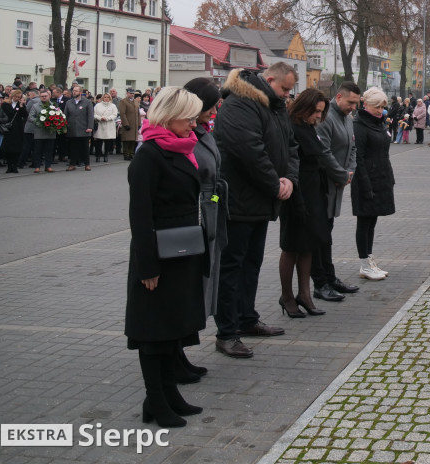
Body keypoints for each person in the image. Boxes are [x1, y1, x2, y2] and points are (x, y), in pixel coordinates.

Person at [124, 86, 206, 428]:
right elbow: (140, 216)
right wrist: (148, 266)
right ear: (167, 116)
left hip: (182, 250)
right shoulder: (149, 155)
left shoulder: (183, 148)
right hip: (158, 254)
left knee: (172, 327)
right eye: (188, 118)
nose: (194, 124)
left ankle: (169, 393)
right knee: (153, 331)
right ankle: (155, 400)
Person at [212, 62, 299, 359]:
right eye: (285, 89)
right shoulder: (241, 103)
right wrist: (274, 183)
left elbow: (290, 147)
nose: (288, 95)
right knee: (231, 267)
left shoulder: (273, 105)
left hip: (260, 201)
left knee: (251, 264)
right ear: (269, 79)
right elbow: (248, 150)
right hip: (238, 200)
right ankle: (226, 332)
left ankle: (246, 319)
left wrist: (289, 178)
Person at [181, 77, 224, 381]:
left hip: (212, 210)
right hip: (197, 216)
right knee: (190, 285)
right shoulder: (186, 136)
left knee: (203, 284)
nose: (215, 110)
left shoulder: (202, 132)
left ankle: (182, 349)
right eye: (211, 105)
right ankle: (176, 350)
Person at [278, 89, 332, 318]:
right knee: (292, 247)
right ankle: (287, 296)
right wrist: (296, 196)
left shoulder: (309, 128)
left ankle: (305, 294)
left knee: (308, 245)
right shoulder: (290, 127)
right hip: (296, 193)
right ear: (305, 108)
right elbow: (289, 163)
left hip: (314, 193)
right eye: (316, 112)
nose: (318, 117)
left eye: (321, 112)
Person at [312, 82, 360, 303]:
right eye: (350, 102)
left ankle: (330, 278)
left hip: (337, 184)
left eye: (356, 104)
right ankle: (321, 282)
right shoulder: (326, 117)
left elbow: (352, 147)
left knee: (327, 234)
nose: (353, 107)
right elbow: (323, 152)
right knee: (320, 236)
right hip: (323, 185)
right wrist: (342, 174)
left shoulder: (347, 118)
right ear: (339, 97)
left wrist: (350, 170)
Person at [351, 88, 396, 281]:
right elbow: (358, 157)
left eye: (382, 107)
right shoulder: (359, 124)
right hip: (366, 180)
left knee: (372, 221)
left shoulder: (379, 123)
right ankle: (364, 264)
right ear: (366, 104)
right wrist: (365, 184)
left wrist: (389, 177)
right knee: (364, 221)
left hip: (381, 178)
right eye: (377, 107)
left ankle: (369, 260)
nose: (380, 110)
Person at [28, 88, 58, 173]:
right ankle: (37, 166)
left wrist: (55, 122)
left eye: (45, 96)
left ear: (49, 96)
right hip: (39, 131)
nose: (44, 98)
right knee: (38, 150)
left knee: (49, 150)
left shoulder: (53, 105)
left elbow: (59, 115)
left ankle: (48, 166)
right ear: (40, 97)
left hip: (50, 132)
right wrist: (39, 122)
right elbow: (30, 117)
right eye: (42, 96)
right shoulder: (35, 105)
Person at [64, 85, 94, 171]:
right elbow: (65, 115)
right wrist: (64, 126)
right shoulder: (69, 102)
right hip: (72, 128)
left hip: (84, 128)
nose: (74, 92)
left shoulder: (87, 102)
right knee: (73, 148)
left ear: (80, 92)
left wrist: (90, 127)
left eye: (76, 91)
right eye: (73, 91)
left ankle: (87, 164)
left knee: (85, 147)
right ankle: (72, 164)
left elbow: (90, 116)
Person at [0, 90, 26, 174]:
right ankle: (9, 166)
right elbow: (5, 114)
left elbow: (25, 115)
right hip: (8, 128)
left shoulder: (20, 105)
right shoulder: (5, 104)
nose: (17, 98)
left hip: (18, 128)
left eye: (19, 97)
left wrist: (21, 106)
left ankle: (15, 166)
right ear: (12, 96)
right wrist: (16, 110)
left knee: (17, 148)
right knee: (8, 148)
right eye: (16, 97)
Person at [93, 91, 119, 163]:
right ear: (102, 98)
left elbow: (114, 114)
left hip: (109, 124)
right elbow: (94, 114)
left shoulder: (113, 106)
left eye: (108, 97)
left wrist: (107, 118)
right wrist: (100, 118)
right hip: (100, 124)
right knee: (99, 141)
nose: (106, 99)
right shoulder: (97, 105)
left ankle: (106, 155)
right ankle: (98, 156)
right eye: (105, 97)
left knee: (107, 141)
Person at [118, 88, 141, 160]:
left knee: (133, 140)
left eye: (133, 93)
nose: (132, 95)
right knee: (127, 140)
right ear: (127, 93)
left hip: (135, 123)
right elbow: (122, 113)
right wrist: (125, 124)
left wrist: (139, 123)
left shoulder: (135, 102)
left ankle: (132, 153)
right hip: (128, 123)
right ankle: (126, 154)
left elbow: (138, 113)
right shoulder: (123, 101)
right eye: (130, 93)